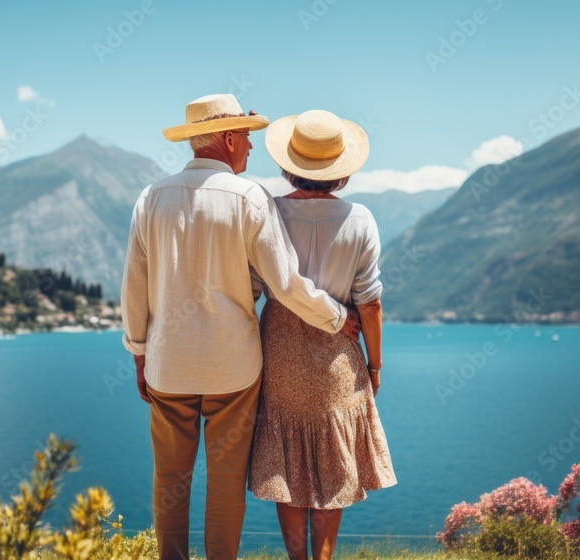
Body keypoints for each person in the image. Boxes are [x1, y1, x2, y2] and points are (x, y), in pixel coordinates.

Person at [120, 94, 361, 560]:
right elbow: (286, 284)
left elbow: (135, 283)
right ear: (228, 138)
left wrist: (139, 351)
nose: (250, 149)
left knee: (169, 480)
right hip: (234, 371)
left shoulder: (151, 197)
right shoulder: (250, 198)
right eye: (247, 138)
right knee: (226, 482)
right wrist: (337, 317)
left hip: (168, 366)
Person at [248, 109, 397, 560]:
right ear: (343, 171)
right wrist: (374, 364)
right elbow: (369, 302)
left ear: (287, 165)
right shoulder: (361, 219)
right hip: (338, 350)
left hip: (279, 348)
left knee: (288, 462)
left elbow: (251, 288)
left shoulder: (268, 213)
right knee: (334, 460)